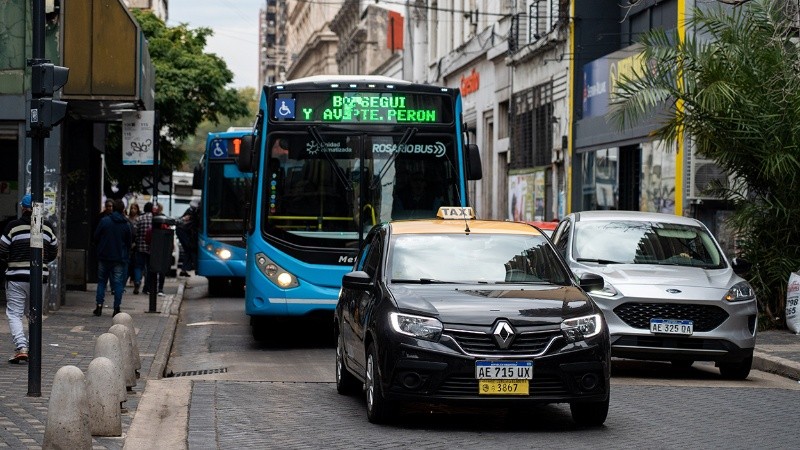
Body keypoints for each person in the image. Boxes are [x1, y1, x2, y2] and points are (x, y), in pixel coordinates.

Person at [1, 194, 59, 363]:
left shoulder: (12, 227)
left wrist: (11, 259)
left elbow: (2, 248)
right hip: (39, 277)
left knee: (14, 313)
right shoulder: (46, 228)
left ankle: (21, 347)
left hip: (16, 277)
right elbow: (54, 251)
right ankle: (33, 347)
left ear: (22, 208)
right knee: (33, 312)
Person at [93, 199, 132, 317]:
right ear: (123, 210)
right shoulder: (125, 224)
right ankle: (116, 308)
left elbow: (96, 236)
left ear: (113, 208)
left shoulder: (105, 221)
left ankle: (99, 306)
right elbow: (129, 242)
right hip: (119, 258)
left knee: (101, 282)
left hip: (104, 256)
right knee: (118, 283)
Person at [133, 202, 153, 295]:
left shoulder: (139, 219)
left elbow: (134, 232)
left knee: (138, 266)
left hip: (140, 247)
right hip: (151, 248)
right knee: (149, 268)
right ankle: (147, 287)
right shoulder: (154, 219)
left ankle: (137, 281)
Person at [176, 197, 199, 277]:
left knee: (188, 250)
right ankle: (196, 269)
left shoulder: (191, 210)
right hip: (183, 232)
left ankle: (184, 270)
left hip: (183, 232)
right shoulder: (192, 212)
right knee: (191, 249)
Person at [150, 203, 169, 295]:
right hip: (162, 249)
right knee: (161, 270)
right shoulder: (165, 224)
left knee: (152, 269)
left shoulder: (151, 225)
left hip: (154, 250)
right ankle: (160, 289)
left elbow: (147, 238)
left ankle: (152, 288)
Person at [126, 203, 140, 287]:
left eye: (135, 208)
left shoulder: (138, 219)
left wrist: (135, 243)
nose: (133, 210)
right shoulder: (128, 219)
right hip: (128, 243)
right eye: (132, 208)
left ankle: (135, 279)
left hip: (136, 244)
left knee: (136, 263)